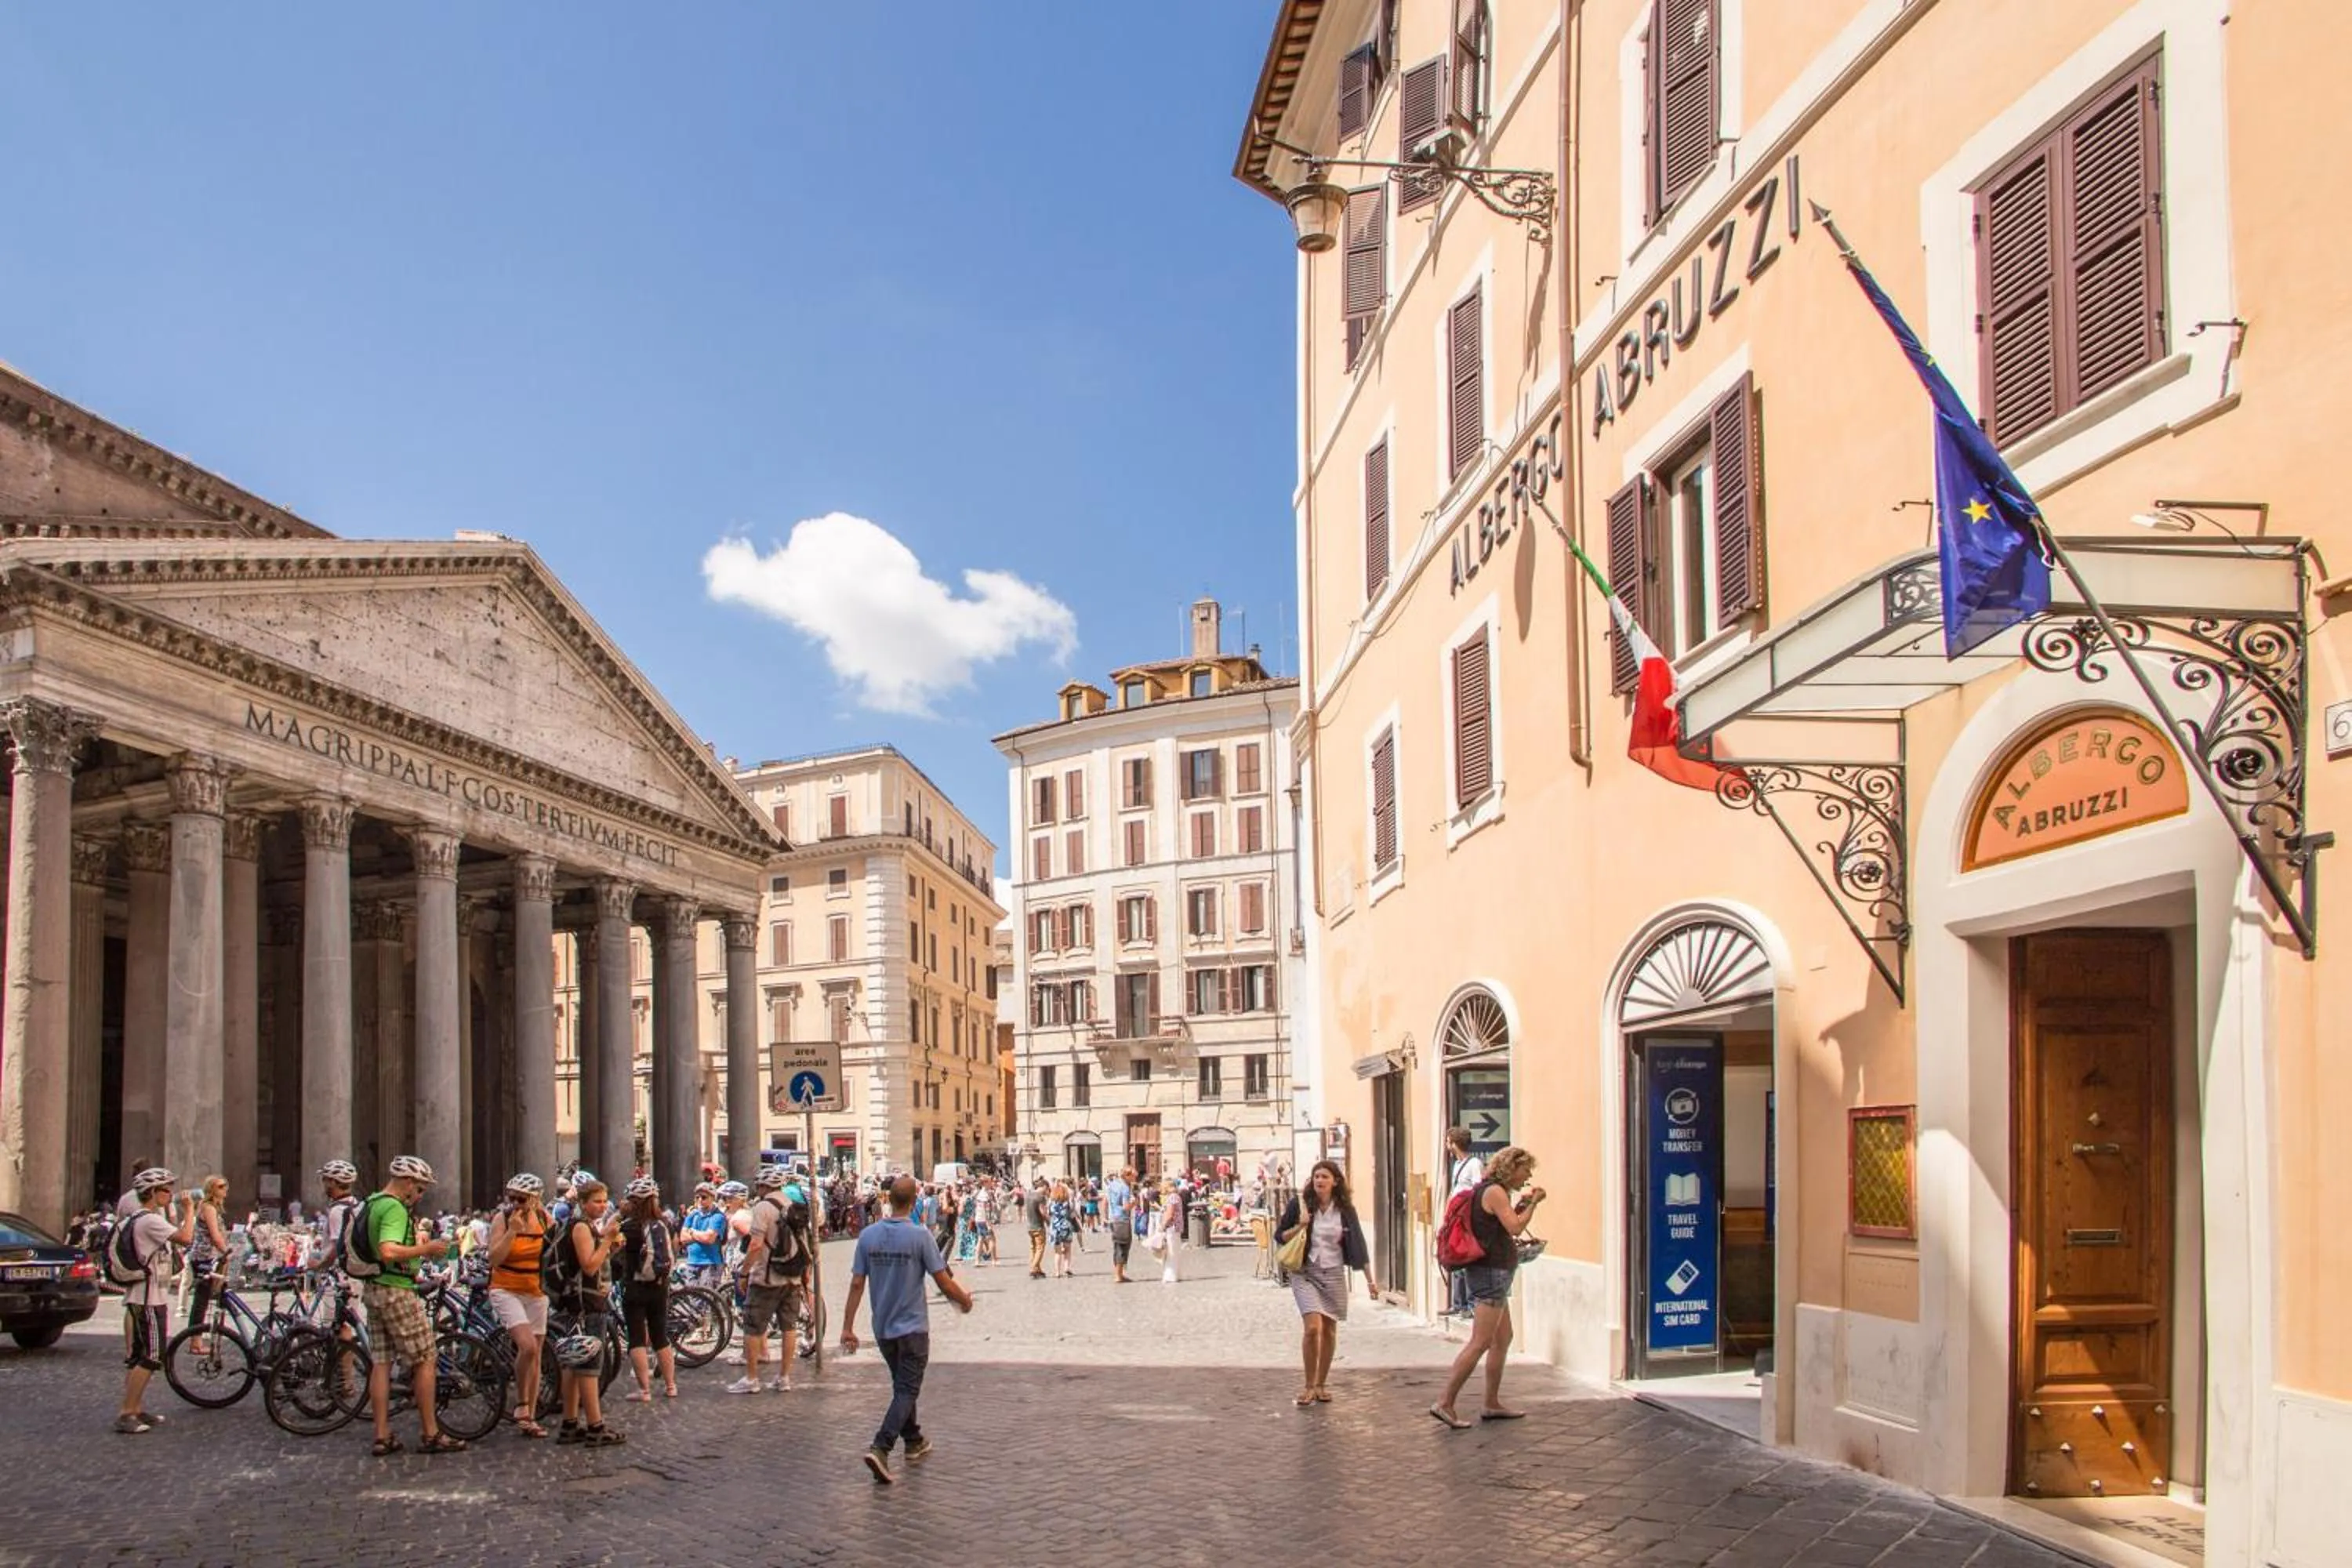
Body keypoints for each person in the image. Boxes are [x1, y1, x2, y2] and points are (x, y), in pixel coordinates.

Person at [840, 1174, 973, 1485]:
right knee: (907, 1389)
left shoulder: (868, 1236)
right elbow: (942, 1280)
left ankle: (913, 1440)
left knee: (902, 1385)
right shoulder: (920, 1236)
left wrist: (847, 1327)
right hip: (912, 1326)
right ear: (914, 1202)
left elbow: (857, 1283)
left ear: (887, 1200)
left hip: (883, 1327)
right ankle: (881, 1446)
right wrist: (964, 1300)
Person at [1430, 1144, 1544, 1429]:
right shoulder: (1494, 1191)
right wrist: (1533, 1204)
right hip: (1490, 1273)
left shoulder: (1493, 1192)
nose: (1527, 1176)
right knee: (1481, 1341)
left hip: (1496, 1272)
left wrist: (1521, 1204)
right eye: (1525, 1169)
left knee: (1503, 1338)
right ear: (1511, 1167)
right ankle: (1445, 1402)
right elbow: (1515, 1228)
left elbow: (1502, 1223)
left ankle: (1492, 1403)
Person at [361, 1155, 466, 1455]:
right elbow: (388, 1249)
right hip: (396, 1289)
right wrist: (427, 1249)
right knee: (425, 1359)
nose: (419, 1195)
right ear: (407, 1182)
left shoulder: (373, 1202)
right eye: (419, 1188)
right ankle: (431, 1433)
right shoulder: (394, 1207)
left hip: (376, 1287)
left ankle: (382, 1435)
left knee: (381, 1362)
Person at [1275, 1160, 1378, 1407]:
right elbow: (1280, 1236)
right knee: (1313, 1328)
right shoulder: (1299, 1205)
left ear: (1335, 1181)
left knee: (1330, 1330)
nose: (1319, 1181)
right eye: (1316, 1176)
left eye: (1324, 1177)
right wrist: (1301, 1224)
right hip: (1305, 1272)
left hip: (1333, 1273)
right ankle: (1309, 1386)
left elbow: (1359, 1246)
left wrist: (1370, 1281)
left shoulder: (1345, 1210)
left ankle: (1321, 1384)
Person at [114, 1167, 195, 1433]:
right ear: (151, 1193)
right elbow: (185, 1238)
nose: (169, 1194)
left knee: (141, 1356)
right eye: (165, 1190)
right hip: (148, 1297)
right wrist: (190, 1209)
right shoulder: (149, 1220)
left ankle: (135, 1407)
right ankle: (127, 1412)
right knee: (150, 1357)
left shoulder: (145, 1218)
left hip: (146, 1295)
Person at [550, 1176, 625, 1446]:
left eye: (605, 1201)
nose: (602, 1206)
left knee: (574, 1362)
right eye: (596, 1202)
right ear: (582, 1203)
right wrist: (607, 1241)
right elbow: (589, 1267)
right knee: (590, 1366)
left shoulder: (584, 1227)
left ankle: (570, 1423)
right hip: (586, 1304)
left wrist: (610, 1248)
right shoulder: (581, 1228)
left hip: (581, 1301)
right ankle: (595, 1425)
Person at [728, 1167, 811, 1395]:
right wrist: (805, 1271)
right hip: (792, 1276)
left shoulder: (763, 1207)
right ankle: (784, 1377)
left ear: (763, 1187)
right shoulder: (792, 1205)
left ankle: (752, 1377)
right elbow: (805, 1242)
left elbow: (755, 1245)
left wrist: (744, 1273)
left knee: (753, 1326)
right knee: (789, 1327)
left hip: (766, 1277)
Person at [485, 1173, 552, 1438]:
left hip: (535, 1290)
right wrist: (513, 1231)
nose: (515, 1203)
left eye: (521, 1199)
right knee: (526, 1346)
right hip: (505, 1287)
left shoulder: (546, 1220)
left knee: (536, 1352)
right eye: (511, 1198)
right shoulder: (502, 1220)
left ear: (535, 1199)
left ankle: (529, 1414)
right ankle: (521, 1403)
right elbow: (495, 1259)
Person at [618, 1177, 678, 1402]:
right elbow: (674, 1248)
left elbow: (616, 1252)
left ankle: (644, 1390)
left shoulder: (629, 1226)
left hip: (635, 1286)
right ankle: (671, 1385)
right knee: (660, 1336)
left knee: (637, 1338)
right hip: (660, 1286)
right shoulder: (665, 1222)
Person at [1442, 1127, 1485, 1320]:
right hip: (1455, 1218)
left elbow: (1477, 1188)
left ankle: (1469, 1304)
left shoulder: (1474, 1163)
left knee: (1466, 1259)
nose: (1446, 1145)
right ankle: (1458, 1303)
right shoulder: (1458, 1164)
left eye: (1448, 1141)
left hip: (1466, 1219)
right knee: (1456, 1258)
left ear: (1454, 1143)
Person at [184, 1175, 231, 1352]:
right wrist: (226, 1251)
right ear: (211, 1189)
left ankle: (200, 1338)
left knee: (204, 1298)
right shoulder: (208, 1208)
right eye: (220, 1186)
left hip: (207, 1257)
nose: (224, 1189)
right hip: (205, 1258)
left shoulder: (212, 1208)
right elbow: (215, 1235)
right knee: (202, 1299)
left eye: (225, 1186)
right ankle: (195, 1342)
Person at [679, 1184, 728, 1289]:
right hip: (692, 1262)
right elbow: (683, 1238)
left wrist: (691, 1232)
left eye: (704, 1197)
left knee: (706, 1301)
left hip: (710, 1263)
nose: (700, 1200)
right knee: (693, 1301)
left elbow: (709, 1239)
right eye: (697, 1197)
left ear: (713, 1198)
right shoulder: (692, 1215)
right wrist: (700, 1235)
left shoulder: (718, 1216)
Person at [1103, 1167, 1136, 1284]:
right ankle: (1118, 1275)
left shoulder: (1112, 1185)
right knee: (1123, 1247)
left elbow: (1105, 1201)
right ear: (1127, 1176)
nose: (1135, 1179)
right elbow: (1126, 1206)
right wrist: (1134, 1203)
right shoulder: (1125, 1188)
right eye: (1133, 1176)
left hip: (1113, 1219)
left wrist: (1105, 1216)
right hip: (1122, 1219)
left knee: (1117, 1246)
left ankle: (1119, 1273)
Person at [1156, 1180, 1185, 1285]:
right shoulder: (1176, 1196)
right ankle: (1176, 1274)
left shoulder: (1172, 1197)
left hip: (1172, 1227)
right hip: (1176, 1227)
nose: (1161, 1189)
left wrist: (1163, 1226)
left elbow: (1170, 1213)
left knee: (1171, 1252)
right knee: (1175, 1251)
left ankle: (1170, 1275)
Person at [1046, 1182, 1076, 1278]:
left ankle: (1057, 1272)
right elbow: (1072, 1215)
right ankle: (1067, 1267)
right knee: (1067, 1249)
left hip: (1055, 1228)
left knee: (1057, 1252)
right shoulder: (1067, 1203)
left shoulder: (1051, 1203)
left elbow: (1049, 1214)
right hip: (1066, 1227)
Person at [1022, 1178, 1049, 1278]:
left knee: (1033, 1248)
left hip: (1030, 1226)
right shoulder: (1041, 1197)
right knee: (1040, 1248)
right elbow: (1043, 1212)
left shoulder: (1028, 1195)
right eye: (1047, 1188)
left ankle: (1038, 1269)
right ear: (1044, 1186)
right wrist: (1049, 1222)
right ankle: (1033, 1268)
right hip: (1038, 1225)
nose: (1047, 1191)